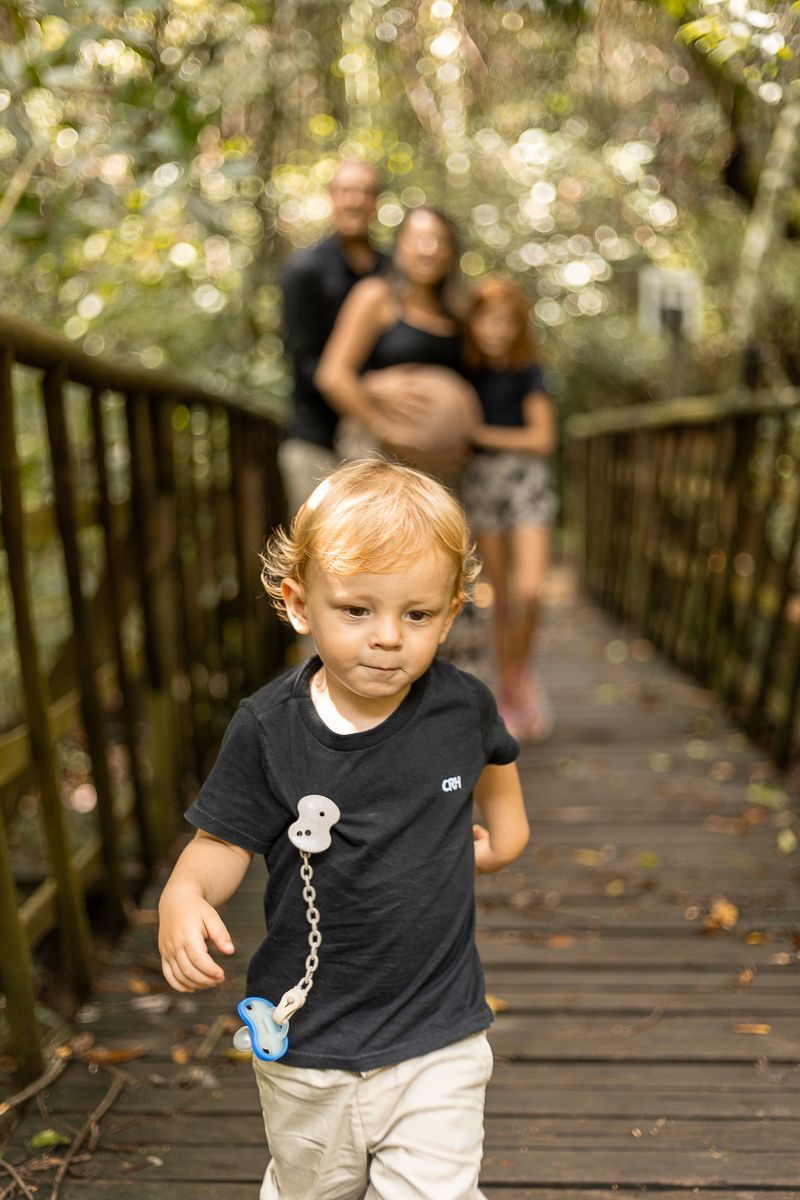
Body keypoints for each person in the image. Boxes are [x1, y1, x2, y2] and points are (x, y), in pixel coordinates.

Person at [157, 458, 530, 1200]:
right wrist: (185, 894)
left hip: (439, 1031)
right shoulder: (269, 730)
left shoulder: (463, 707)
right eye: (357, 610)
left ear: (452, 612)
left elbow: (495, 766)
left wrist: (502, 840)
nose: (388, 638)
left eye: (417, 614)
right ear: (300, 604)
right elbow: (222, 842)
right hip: (309, 1043)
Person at [461, 277, 558, 741]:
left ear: (517, 325)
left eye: (505, 320)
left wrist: (481, 434)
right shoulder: (464, 372)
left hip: (526, 483)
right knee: (498, 594)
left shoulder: (529, 371)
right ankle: (508, 687)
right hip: (482, 485)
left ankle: (519, 674)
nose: (495, 329)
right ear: (474, 323)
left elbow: (543, 438)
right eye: (487, 319)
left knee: (531, 591)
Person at [315, 206, 480, 473]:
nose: (429, 249)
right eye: (419, 239)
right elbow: (332, 375)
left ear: (451, 253)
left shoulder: (459, 312)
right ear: (400, 247)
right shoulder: (376, 296)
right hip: (376, 452)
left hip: (440, 468)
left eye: (440, 240)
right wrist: (385, 428)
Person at [279, 160, 387, 514]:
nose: (356, 201)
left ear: (376, 202)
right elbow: (305, 363)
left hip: (381, 441)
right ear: (332, 198)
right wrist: (375, 391)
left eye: (365, 192)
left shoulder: (392, 269)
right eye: (346, 191)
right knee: (320, 560)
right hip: (317, 438)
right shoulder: (304, 270)